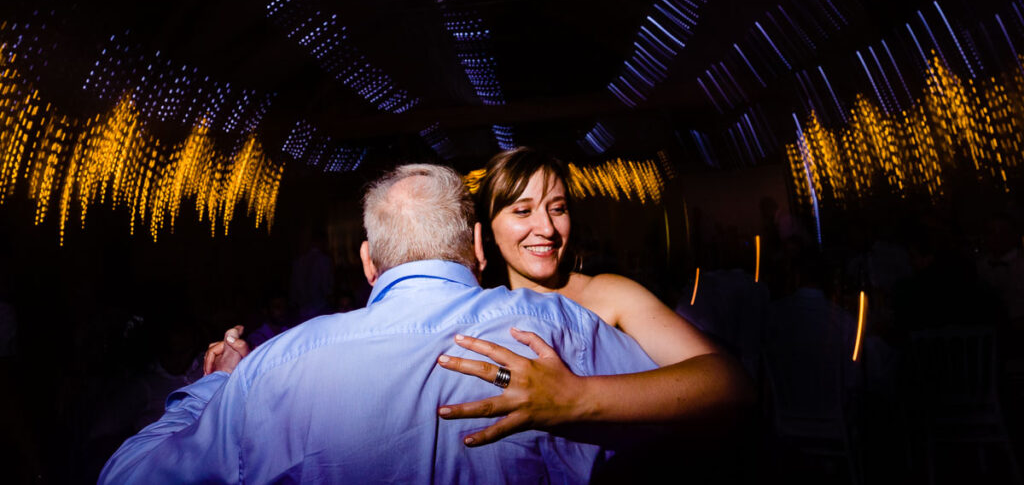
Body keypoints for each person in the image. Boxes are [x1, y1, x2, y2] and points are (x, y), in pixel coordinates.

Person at [98, 163, 658, 484]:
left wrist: (212, 387)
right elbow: (694, 412)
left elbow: (125, 477)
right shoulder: (556, 328)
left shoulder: (276, 367)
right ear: (480, 248)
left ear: (367, 261)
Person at [437, 147, 754, 447]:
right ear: (488, 230)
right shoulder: (474, 304)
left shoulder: (608, 293)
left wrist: (575, 397)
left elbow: (729, 383)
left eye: (558, 208)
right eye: (523, 211)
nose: (547, 227)